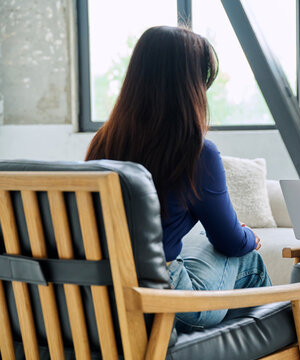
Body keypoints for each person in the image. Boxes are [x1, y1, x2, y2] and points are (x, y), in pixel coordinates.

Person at [85, 26, 271, 333]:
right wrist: (250, 236)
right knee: (249, 261)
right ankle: (263, 343)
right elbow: (231, 241)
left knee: (197, 241)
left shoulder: (103, 143)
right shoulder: (197, 153)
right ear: (191, 87)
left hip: (109, 295)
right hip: (168, 302)